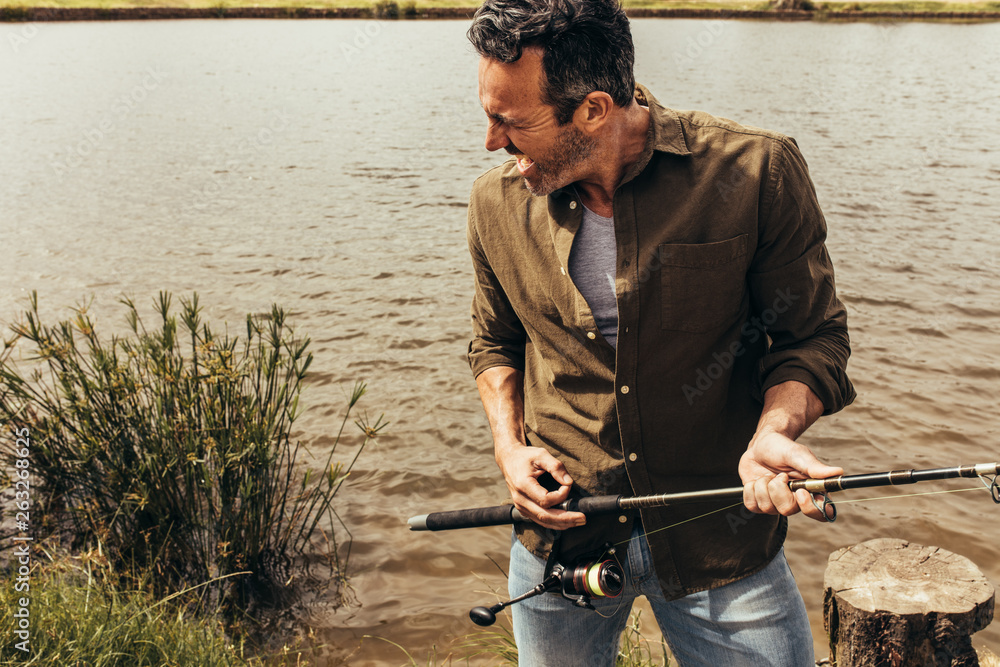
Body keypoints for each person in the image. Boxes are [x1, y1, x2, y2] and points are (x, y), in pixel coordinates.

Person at [464, 0, 856, 664]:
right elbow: (495, 340)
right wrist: (508, 448)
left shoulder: (756, 172)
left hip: (721, 537)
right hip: (560, 543)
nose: (492, 142)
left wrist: (774, 432)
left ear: (592, 110)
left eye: (510, 121)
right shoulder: (493, 203)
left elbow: (813, 337)